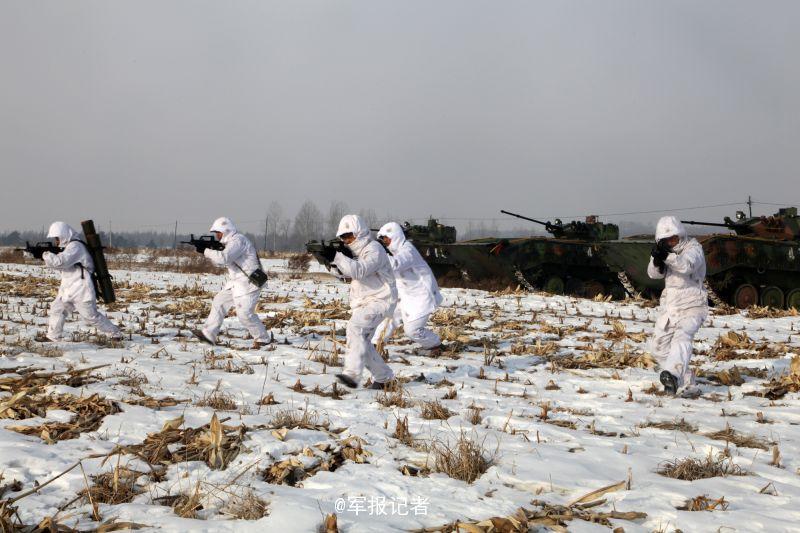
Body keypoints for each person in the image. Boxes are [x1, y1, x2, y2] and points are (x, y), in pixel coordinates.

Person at [326, 214, 398, 389]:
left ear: (360, 232)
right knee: (362, 342)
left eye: (349, 235)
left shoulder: (374, 249)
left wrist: (337, 257)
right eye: (343, 237)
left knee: (355, 328)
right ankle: (385, 379)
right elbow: (346, 275)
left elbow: (360, 270)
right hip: (365, 300)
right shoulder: (355, 252)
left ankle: (351, 374)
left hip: (381, 299)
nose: (347, 240)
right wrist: (329, 261)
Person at [648, 216, 708, 395]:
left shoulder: (694, 248)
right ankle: (685, 377)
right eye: (667, 240)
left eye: (674, 238)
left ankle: (673, 376)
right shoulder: (666, 253)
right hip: (671, 307)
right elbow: (653, 275)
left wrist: (666, 256)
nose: (671, 242)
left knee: (682, 339)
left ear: (681, 235)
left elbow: (687, 266)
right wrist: (657, 261)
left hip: (692, 306)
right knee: (658, 348)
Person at [192, 217, 271, 348]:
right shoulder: (230, 243)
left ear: (226, 230)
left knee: (245, 314)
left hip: (249, 284)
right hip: (237, 283)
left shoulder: (238, 241)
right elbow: (221, 261)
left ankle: (263, 339)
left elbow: (224, 258)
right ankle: (208, 335)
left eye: (218, 232)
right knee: (219, 301)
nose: (217, 236)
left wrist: (205, 250)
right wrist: (209, 249)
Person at [42, 222, 122, 341]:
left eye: (57, 238)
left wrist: (45, 255)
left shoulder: (75, 247)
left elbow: (61, 262)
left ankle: (115, 333)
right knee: (57, 309)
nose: (56, 241)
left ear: (64, 235)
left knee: (90, 316)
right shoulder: (68, 247)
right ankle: (53, 336)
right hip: (68, 286)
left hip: (81, 288)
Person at [371, 222, 444, 354]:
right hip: (405, 295)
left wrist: (376, 253)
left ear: (396, 236)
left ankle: (435, 344)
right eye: (382, 239)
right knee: (389, 316)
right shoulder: (395, 251)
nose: (385, 242)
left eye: (386, 238)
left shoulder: (408, 250)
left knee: (412, 331)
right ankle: (376, 344)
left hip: (421, 297)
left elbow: (394, 265)